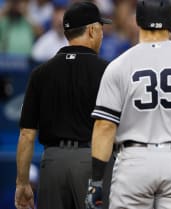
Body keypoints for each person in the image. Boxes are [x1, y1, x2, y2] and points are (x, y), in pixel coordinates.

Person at [84, 0, 171, 209]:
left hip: (133, 163)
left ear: (138, 21)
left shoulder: (120, 64)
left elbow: (104, 126)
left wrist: (96, 180)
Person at [14, 2, 112, 209]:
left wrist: (22, 183)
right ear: (92, 31)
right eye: (101, 29)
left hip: (52, 163)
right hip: (91, 161)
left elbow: (26, 134)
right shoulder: (107, 71)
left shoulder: (41, 73)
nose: (102, 35)